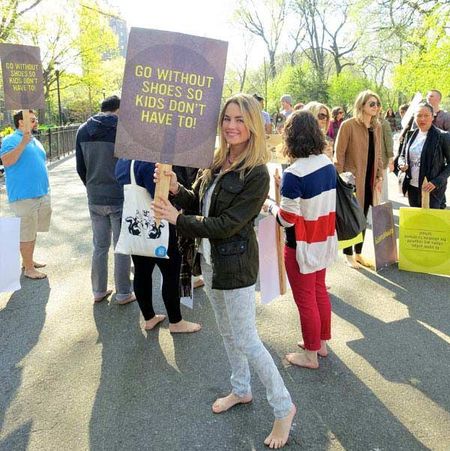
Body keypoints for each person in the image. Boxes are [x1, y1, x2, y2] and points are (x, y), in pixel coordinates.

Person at [153, 93, 296, 449]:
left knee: (247, 339)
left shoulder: (256, 173)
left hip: (236, 267)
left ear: (252, 125)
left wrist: (178, 219)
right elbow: (201, 203)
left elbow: (228, 224)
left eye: (240, 119)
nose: (232, 126)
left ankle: (284, 407)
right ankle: (241, 389)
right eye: (227, 119)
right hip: (212, 265)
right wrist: (175, 190)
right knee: (228, 335)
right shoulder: (217, 161)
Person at [267, 111, 337, 369]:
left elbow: (287, 219)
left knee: (305, 299)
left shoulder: (294, 173)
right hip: (324, 238)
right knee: (319, 291)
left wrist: (270, 206)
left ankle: (310, 354)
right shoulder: (327, 163)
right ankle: (321, 344)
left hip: (301, 244)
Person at [115, 159, 202, 333]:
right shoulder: (149, 164)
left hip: (137, 226)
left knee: (142, 272)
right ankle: (176, 322)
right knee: (171, 273)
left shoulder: (123, 161)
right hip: (159, 225)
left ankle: (149, 317)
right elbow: (161, 195)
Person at [76, 95, 134, 304]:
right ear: (119, 109)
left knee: (99, 246)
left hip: (95, 196)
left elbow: (80, 168)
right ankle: (123, 293)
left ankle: (99, 290)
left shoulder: (83, 130)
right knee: (121, 246)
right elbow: (130, 166)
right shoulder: (124, 130)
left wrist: (91, 185)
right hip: (119, 195)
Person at [334, 90, 383, 269]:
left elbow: (378, 154)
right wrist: (340, 178)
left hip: (370, 180)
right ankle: (348, 255)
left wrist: (379, 175)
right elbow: (338, 154)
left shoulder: (376, 126)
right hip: (352, 180)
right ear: (361, 105)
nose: (375, 107)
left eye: (377, 104)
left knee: (363, 215)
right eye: (372, 104)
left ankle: (359, 253)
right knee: (351, 217)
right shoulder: (348, 125)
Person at [0, 110, 52, 280]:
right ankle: (29, 268)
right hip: (23, 195)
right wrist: (22, 143)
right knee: (26, 231)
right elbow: (6, 161)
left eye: (36, 118)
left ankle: (27, 261)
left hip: (41, 192)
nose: (36, 121)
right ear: (21, 122)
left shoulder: (34, 140)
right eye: (32, 119)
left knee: (32, 230)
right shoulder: (11, 140)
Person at [398, 102, 450, 208]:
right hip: (412, 187)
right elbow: (402, 155)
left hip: (432, 189)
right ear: (414, 117)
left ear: (432, 117)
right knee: (416, 221)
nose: (422, 119)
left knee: (431, 222)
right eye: (419, 115)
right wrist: (402, 163)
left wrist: (436, 181)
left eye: (426, 115)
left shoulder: (442, 136)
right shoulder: (410, 135)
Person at [378, 106, 394, 202]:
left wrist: (391, 160)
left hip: (382, 160)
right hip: (369, 161)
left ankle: (382, 215)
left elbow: (389, 142)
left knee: (382, 189)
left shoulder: (384, 123)